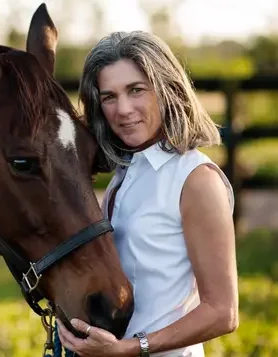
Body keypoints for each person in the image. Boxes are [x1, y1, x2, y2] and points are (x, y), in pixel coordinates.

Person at [56, 31, 239, 357]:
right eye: (109, 97)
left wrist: (131, 349)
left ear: (166, 89)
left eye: (136, 90)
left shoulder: (195, 180)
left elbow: (222, 312)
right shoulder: (125, 175)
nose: (123, 109)